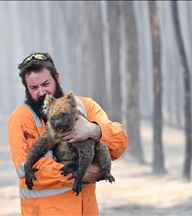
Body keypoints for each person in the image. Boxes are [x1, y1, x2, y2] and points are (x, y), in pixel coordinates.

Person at [7, 52, 129, 215]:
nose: (42, 92)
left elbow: (120, 143)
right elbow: (26, 168)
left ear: (57, 78)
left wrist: (93, 130)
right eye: (34, 88)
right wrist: (78, 174)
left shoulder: (85, 106)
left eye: (45, 83)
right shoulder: (22, 117)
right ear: (26, 88)